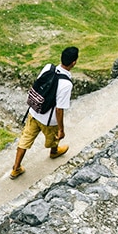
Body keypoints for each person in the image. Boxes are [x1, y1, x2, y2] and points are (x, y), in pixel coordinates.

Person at [11, 46, 79, 179]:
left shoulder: (48, 67)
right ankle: (54, 152)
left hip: (34, 111)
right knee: (54, 137)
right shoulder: (66, 84)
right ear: (74, 62)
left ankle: (16, 168)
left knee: (25, 139)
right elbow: (59, 109)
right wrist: (61, 129)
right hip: (48, 119)